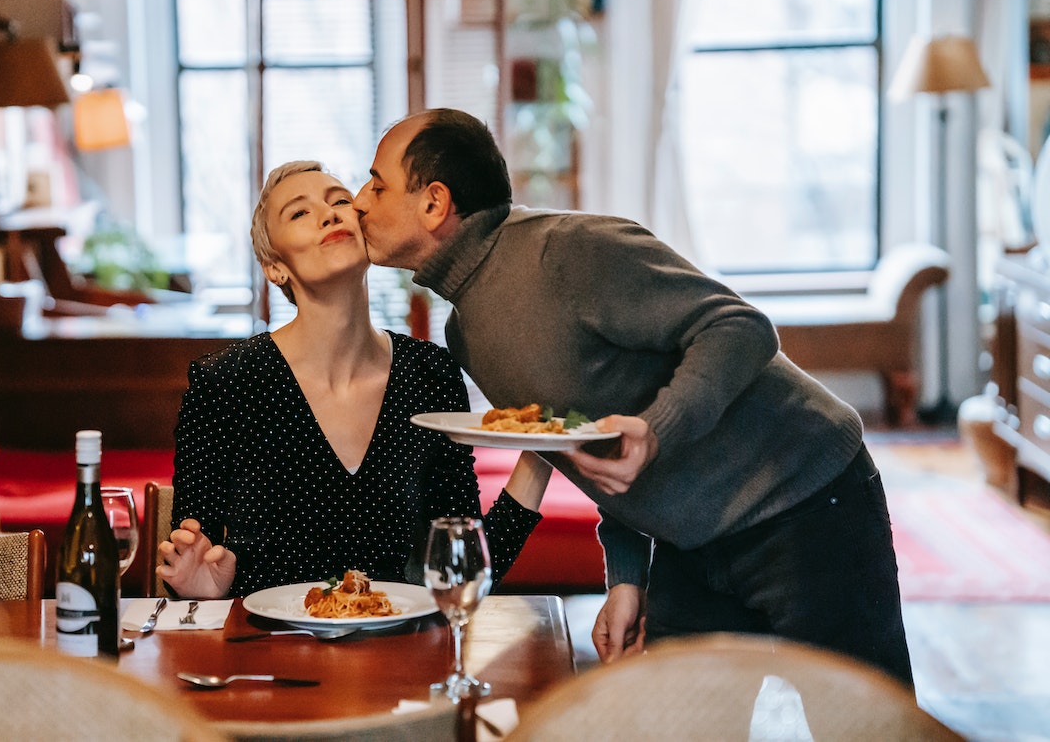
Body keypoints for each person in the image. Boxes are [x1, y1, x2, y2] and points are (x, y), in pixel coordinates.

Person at [351, 108, 915, 686]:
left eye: (376, 183)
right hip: (689, 544)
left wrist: (660, 427)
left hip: (806, 502)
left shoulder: (570, 251)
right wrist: (625, 573)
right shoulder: (465, 332)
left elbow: (740, 328)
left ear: (434, 202)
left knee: (864, 723)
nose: (359, 201)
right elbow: (584, 437)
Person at [157, 160, 550, 600]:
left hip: (400, 657)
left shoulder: (431, 373)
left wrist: (547, 449)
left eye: (341, 201)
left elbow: (461, 571)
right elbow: (191, 564)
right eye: (299, 212)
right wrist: (199, 590)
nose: (330, 214)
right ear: (275, 267)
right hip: (266, 659)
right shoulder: (224, 383)